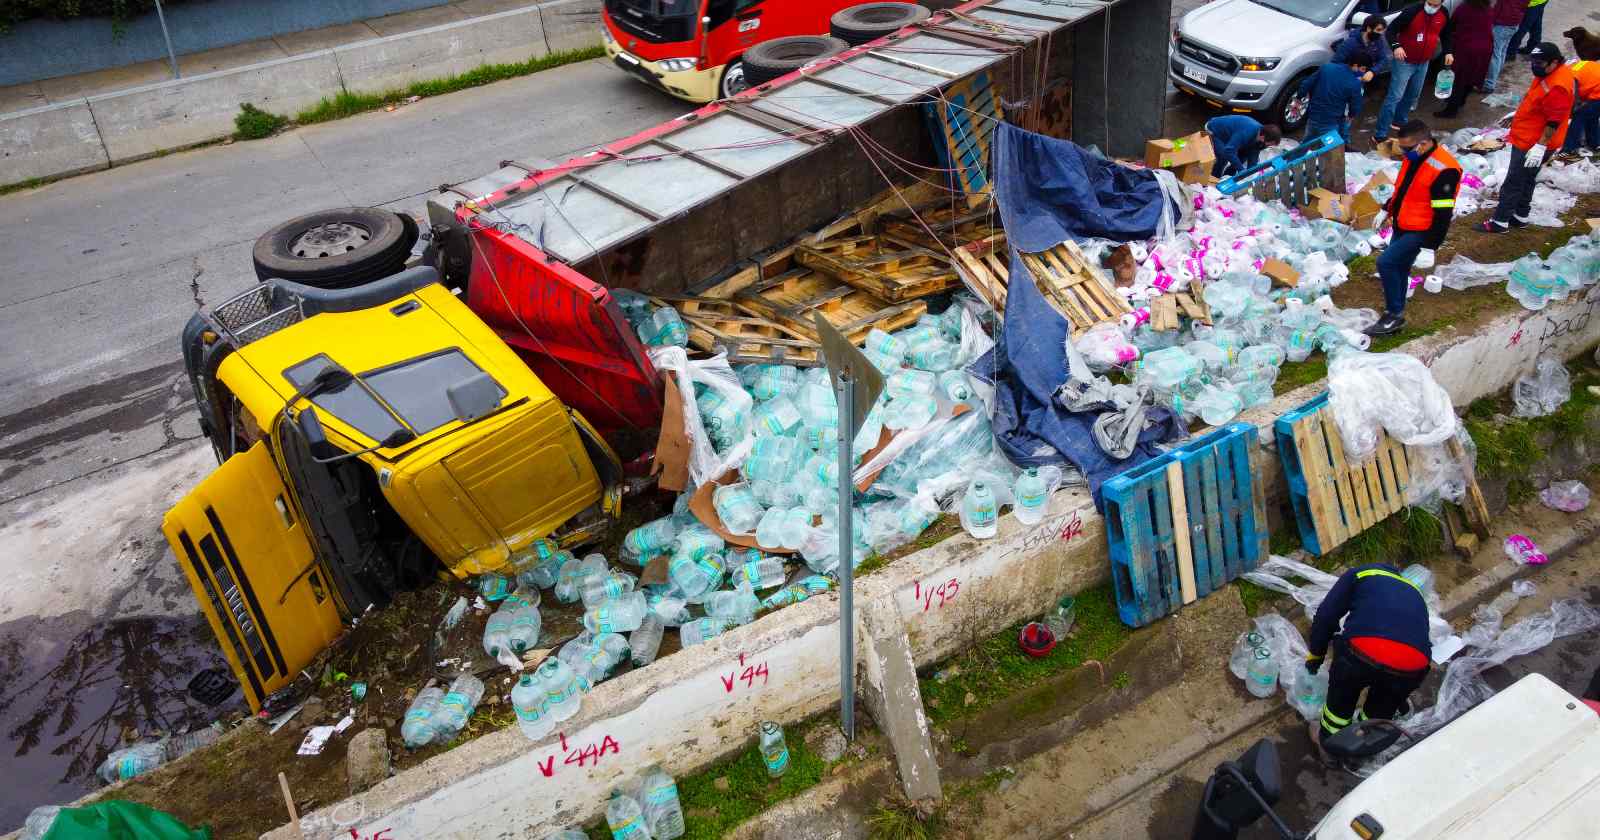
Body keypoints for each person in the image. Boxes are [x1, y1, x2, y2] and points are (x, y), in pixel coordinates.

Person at [1305, 563, 1432, 748]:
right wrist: (1399, 696)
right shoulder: (1417, 596)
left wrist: (1316, 656)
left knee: (1339, 707)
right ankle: (1364, 746)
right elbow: (1416, 642)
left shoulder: (1360, 573)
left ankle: (1330, 745)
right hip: (1412, 669)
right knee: (1378, 713)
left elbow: (1326, 616)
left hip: (1360, 655)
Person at [1370, 119, 1460, 336]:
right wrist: (1387, 208)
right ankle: (1397, 311)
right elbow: (1405, 188)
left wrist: (1431, 246)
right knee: (1399, 266)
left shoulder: (1445, 170)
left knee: (1386, 262)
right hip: (1403, 221)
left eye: (1407, 148)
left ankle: (1393, 314)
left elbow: (1443, 213)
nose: (1403, 152)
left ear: (1424, 143)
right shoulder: (1415, 157)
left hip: (1421, 230)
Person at [1480, 43, 1574, 232]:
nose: (1534, 66)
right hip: (1531, 137)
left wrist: (1540, 147)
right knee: (1527, 179)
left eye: (1539, 63)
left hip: (1532, 143)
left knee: (1514, 180)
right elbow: (1538, 102)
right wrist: (1517, 115)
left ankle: (1500, 222)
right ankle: (1520, 216)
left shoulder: (1559, 85)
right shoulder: (1548, 73)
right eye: (1533, 62)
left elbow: (1554, 121)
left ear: (1554, 62)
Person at [1376, 0, 1456, 143]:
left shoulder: (1443, 13)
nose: (1431, 7)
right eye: (1429, 3)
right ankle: (1380, 132)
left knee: (1413, 94)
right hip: (1404, 62)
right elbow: (1391, 30)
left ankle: (1399, 121)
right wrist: (1396, 46)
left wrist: (1448, 51)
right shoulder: (1412, 11)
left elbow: (1446, 34)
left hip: (1424, 61)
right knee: (1395, 96)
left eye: (1435, 5)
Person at [1435, 0, 1496, 119]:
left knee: (1458, 80)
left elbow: (1451, 25)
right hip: (1484, 48)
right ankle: (1461, 101)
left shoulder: (1464, 8)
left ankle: (1451, 110)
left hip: (1466, 49)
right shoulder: (1488, 9)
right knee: (1471, 77)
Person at [1301, 50, 1371, 140]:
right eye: (1363, 69)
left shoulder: (1327, 67)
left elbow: (1306, 84)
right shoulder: (1355, 83)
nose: (1363, 73)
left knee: (1306, 143)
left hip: (1314, 115)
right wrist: (1351, 115)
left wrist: (1300, 97)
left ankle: (1300, 153)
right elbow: (1355, 105)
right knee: (1331, 150)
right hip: (1330, 122)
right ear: (1355, 66)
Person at [1204, 115, 1281, 177]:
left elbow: (1253, 154)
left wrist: (1251, 172)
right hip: (1215, 130)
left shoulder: (1262, 139)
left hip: (1233, 136)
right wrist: (1241, 169)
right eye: (1269, 144)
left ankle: (1228, 178)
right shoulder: (1247, 132)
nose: (1268, 146)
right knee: (1223, 156)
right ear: (1263, 137)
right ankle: (1214, 178)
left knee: (1242, 157)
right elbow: (1229, 151)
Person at [1485, 0, 1527, 94]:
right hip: (1512, 22)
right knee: (1501, 51)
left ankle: (1489, 84)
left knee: (1495, 53)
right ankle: (1493, 78)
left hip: (1503, 23)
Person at [1337, 16, 1392, 82]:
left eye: (1383, 31)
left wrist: (1372, 71)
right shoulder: (1350, 43)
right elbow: (1336, 62)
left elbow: (1383, 59)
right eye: (1378, 30)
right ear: (1368, 28)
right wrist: (1352, 72)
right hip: (1348, 79)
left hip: (1364, 79)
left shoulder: (1378, 41)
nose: (1381, 33)